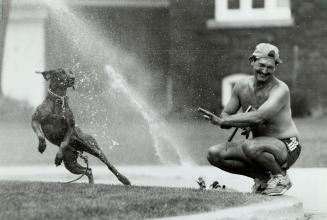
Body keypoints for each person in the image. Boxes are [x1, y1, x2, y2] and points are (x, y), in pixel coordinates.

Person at [205, 43, 301, 195]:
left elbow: (259, 117)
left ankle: (281, 178)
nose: (264, 71)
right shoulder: (241, 85)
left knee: (250, 146)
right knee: (214, 153)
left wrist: (230, 121)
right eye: (261, 65)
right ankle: (263, 179)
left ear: (275, 67)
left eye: (270, 67)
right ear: (252, 61)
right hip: (257, 146)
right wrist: (233, 120)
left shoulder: (280, 89)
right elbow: (226, 115)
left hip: (287, 146)